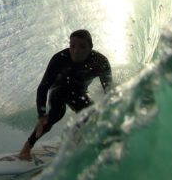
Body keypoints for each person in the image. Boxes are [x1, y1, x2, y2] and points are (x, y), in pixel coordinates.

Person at [18, 29, 112, 161]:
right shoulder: (59, 59)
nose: (76, 50)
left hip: (80, 93)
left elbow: (109, 90)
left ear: (90, 47)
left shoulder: (100, 62)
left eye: (82, 47)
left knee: (92, 115)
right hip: (59, 91)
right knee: (56, 114)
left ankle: (77, 140)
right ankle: (26, 148)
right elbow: (43, 87)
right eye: (72, 46)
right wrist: (41, 115)